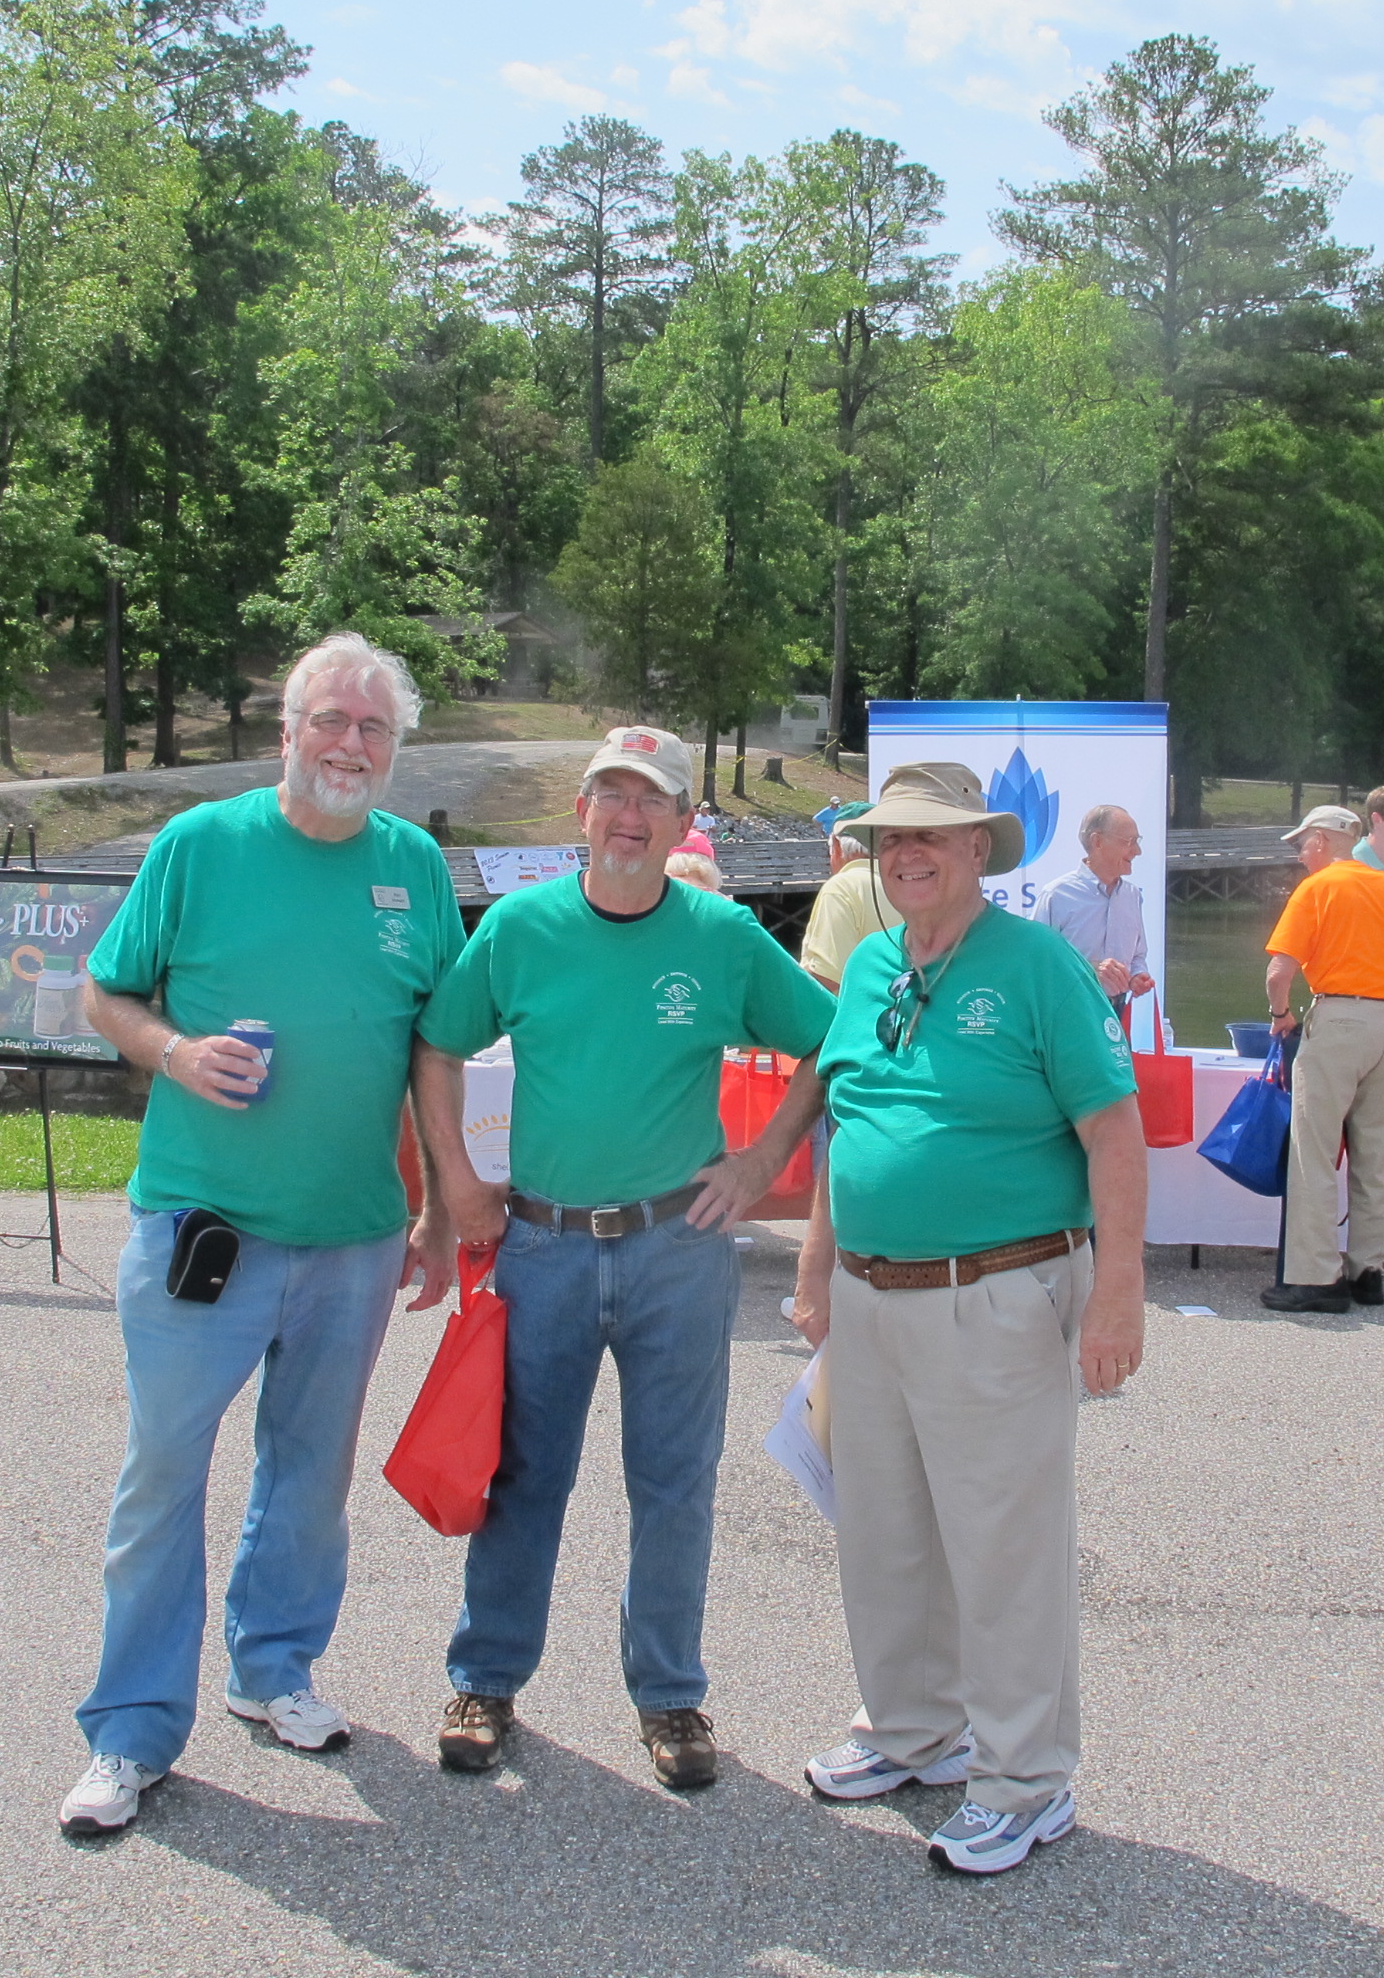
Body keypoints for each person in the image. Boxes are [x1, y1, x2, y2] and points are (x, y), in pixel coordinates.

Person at [56, 633, 468, 1837]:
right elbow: (106, 990)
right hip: (206, 1230)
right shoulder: (200, 846)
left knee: (309, 1473)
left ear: (394, 750)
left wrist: (442, 1207)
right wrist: (175, 1052)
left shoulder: (415, 867)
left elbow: (433, 1048)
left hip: (352, 1237)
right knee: (162, 1477)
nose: (350, 743)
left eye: (373, 728)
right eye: (330, 720)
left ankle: (271, 1666)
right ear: (284, 732)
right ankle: (129, 1733)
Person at [414, 725, 836, 1791]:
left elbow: (828, 1043)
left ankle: (669, 1697)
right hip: (545, 1245)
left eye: (650, 801)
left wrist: (762, 1161)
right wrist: (455, 1182)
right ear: (581, 815)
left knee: (674, 1482)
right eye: (610, 795)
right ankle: (485, 1679)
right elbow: (436, 1041)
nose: (628, 818)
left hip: (677, 1246)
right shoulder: (519, 928)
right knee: (523, 1477)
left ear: (683, 824)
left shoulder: (722, 935)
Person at [790, 761, 1147, 1876]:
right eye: (888, 841)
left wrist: (1119, 1296)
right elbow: (846, 1126)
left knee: (1001, 1546)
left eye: (929, 840)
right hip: (869, 1293)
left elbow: (1114, 1135)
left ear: (978, 851)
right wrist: (814, 1272)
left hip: (994, 1290)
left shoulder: (1037, 967)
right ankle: (911, 1734)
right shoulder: (866, 967)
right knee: (883, 1529)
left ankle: (1025, 1779)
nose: (904, 858)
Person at [1262, 804, 1384, 1314]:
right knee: (1375, 1154)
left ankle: (1315, 1278)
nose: (1299, 854)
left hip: (1338, 1020)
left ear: (1321, 841)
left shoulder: (1316, 888)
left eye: (1302, 844)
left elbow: (1279, 972)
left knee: (1314, 1150)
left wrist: (1280, 1016)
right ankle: (1369, 1272)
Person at [1040, 805, 1153, 1027]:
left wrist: (1137, 977)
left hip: (1117, 1014)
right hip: (1069, 1014)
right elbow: (1035, 961)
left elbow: (1138, 956)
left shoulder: (1132, 896)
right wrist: (1089, 970)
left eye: (1137, 841)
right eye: (1129, 842)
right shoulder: (1057, 895)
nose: (1137, 851)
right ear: (1097, 841)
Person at [797, 805, 886, 993]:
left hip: (857, 1016)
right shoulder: (903, 886)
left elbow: (827, 979)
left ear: (836, 847)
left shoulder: (842, 889)